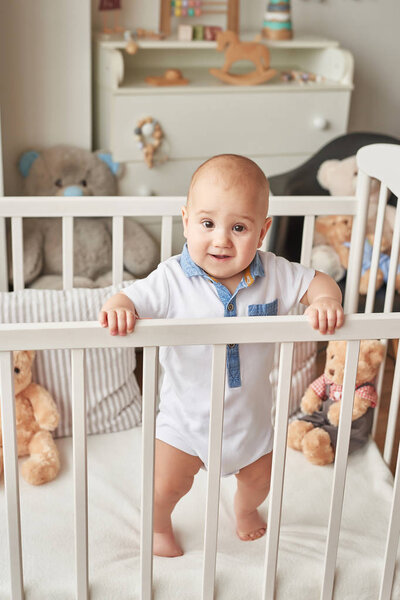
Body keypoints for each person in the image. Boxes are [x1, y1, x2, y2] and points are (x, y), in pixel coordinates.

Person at [98, 154, 344, 558]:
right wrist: (122, 307)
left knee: (259, 481)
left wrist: (324, 302)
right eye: (207, 224)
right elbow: (130, 296)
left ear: (262, 231)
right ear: (186, 221)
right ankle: (159, 524)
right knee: (166, 486)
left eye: (239, 227)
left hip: (250, 422)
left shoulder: (275, 273)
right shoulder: (172, 279)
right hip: (185, 423)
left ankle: (244, 512)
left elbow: (319, 281)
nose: (221, 240)